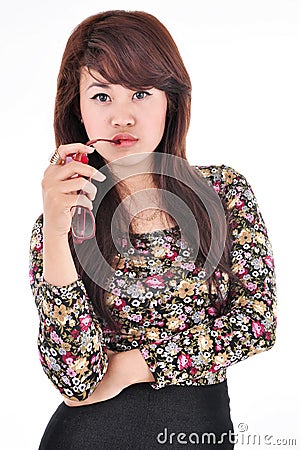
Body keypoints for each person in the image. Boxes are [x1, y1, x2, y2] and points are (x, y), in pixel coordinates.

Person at [29, 9, 277, 450]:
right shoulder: (62, 224)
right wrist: (55, 231)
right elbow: (75, 379)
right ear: (77, 108)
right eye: (102, 96)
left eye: (141, 93)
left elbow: (258, 325)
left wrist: (134, 366)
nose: (122, 117)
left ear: (170, 101)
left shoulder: (222, 191)